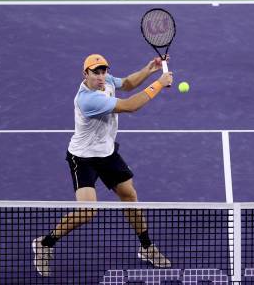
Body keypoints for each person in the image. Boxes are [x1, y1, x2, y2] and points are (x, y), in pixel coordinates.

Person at [32, 53, 173, 276]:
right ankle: (45, 244)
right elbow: (129, 106)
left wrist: (149, 70)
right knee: (87, 212)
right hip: (83, 158)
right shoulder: (87, 99)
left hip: (106, 153)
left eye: (103, 71)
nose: (100, 76)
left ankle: (146, 247)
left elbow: (126, 84)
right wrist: (158, 83)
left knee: (129, 195)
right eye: (95, 72)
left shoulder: (106, 81)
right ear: (85, 74)